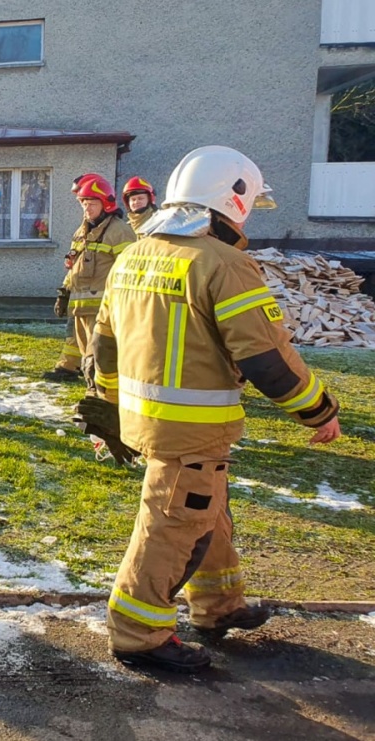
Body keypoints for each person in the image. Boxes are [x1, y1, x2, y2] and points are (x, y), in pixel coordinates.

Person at [90, 146, 343, 673]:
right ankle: (137, 634)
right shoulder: (223, 263)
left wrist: (108, 409)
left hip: (149, 419)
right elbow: (267, 359)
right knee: (172, 522)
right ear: (236, 201)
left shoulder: (135, 254)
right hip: (190, 429)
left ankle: (219, 606)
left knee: (208, 511)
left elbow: (102, 344)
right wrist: (320, 412)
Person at [54, 175, 135, 385]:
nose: (87, 209)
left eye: (92, 204)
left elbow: (130, 272)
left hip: (103, 309)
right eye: (84, 204)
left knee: (97, 357)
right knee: (85, 355)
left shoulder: (120, 232)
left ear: (106, 203)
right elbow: (74, 266)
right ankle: (92, 391)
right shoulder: (82, 232)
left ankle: (102, 396)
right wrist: (64, 292)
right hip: (80, 306)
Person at [45, 174, 98, 382]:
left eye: (83, 199)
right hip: (79, 291)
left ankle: (79, 369)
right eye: (80, 199)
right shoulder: (83, 227)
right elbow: (74, 263)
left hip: (95, 295)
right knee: (73, 330)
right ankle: (69, 366)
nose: (80, 202)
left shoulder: (109, 230)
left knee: (93, 337)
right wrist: (65, 290)